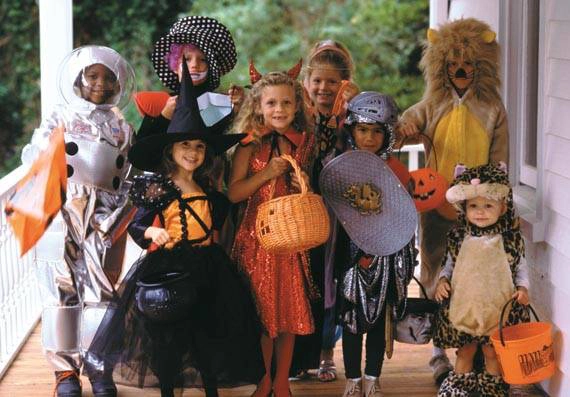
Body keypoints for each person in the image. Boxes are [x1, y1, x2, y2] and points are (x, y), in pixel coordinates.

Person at [86, 60, 264, 397]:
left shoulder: (210, 191)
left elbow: (219, 220)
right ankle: (169, 389)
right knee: (168, 338)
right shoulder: (158, 188)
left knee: (207, 335)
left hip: (208, 267)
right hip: (169, 267)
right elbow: (138, 226)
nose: (193, 153)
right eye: (186, 145)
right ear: (171, 150)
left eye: (199, 147)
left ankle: (209, 388)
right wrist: (154, 233)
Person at [397, 18, 509, 384]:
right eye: (453, 64)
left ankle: (471, 346)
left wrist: (492, 200)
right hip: (437, 207)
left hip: (478, 211)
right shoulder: (433, 103)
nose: (461, 70)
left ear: (481, 66)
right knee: (435, 275)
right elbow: (407, 120)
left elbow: (500, 160)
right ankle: (437, 352)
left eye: (468, 64)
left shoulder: (492, 109)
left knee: (474, 280)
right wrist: (407, 125)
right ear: (442, 66)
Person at [20, 45, 135, 397]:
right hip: (61, 208)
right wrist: (47, 145)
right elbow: (35, 155)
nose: (100, 83)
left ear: (118, 83)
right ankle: (64, 373)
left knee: (103, 292)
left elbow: (128, 176)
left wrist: (118, 218)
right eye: (92, 75)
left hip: (103, 216)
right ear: (79, 79)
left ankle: (100, 369)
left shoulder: (122, 126)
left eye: (108, 77)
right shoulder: (62, 115)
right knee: (60, 290)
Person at [228, 69, 316, 397]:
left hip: (290, 238)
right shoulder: (248, 145)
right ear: (259, 106)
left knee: (289, 309)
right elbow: (234, 193)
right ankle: (264, 379)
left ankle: (282, 382)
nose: (279, 109)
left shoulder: (301, 143)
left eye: (286, 103)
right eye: (271, 103)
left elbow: (305, 189)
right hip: (257, 239)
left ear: (296, 108)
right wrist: (266, 173)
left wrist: (299, 182)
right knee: (264, 313)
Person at [332, 92, 417, 397]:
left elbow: (404, 217)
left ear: (388, 133)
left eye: (377, 131)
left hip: (386, 253)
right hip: (352, 255)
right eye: (363, 130)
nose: (369, 138)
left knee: (380, 320)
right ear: (351, 130)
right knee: (353, 320)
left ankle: (372, 378)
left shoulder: (397, 170)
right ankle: (352, 380)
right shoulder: (341, 168)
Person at [433, 163, 530, 396]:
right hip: (466, 306)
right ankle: (458, 387)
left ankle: (492, 389)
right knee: (465, 351)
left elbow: (521, 268)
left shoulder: (509, 239)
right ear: (464, 209)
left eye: (488, 206)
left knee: (491, 352)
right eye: (474, 206)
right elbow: (449, 265)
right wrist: (442, 282)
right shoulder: (458, 237)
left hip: (497, 309)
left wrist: (523, 288)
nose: (480, 211)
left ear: (503, 207)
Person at [298, 39, 359, 382]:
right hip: (304, 211)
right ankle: (301, 355)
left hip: (338, 215)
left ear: (344, 85)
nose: (323, 88)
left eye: (332, 82)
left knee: (331, 280)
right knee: (306, 279)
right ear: (306, 83)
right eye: (317, 81)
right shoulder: (299, 117)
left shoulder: (350, 121)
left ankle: (325, 352)